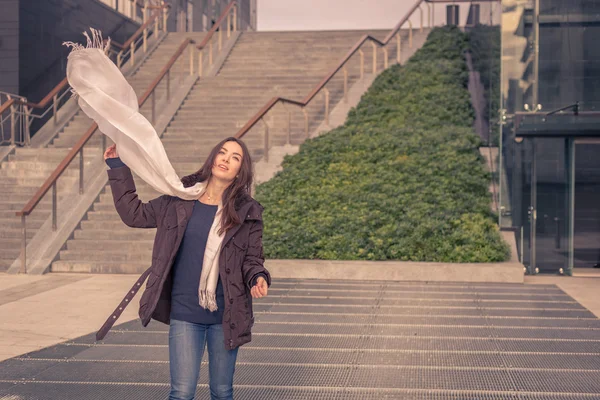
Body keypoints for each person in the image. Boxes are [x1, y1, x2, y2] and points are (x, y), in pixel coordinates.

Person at [103, 137, 271, 400]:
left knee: (222, 392)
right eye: (222, 153)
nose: (226, 159)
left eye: (235, 157)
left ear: (241, 170)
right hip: (185, 312)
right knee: (181, 393)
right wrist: (116, 166)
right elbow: (134, 214)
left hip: (226, 315)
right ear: (213, 158)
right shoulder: (180, 198)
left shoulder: (247, 211)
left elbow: (252, 259)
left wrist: (258, 277)